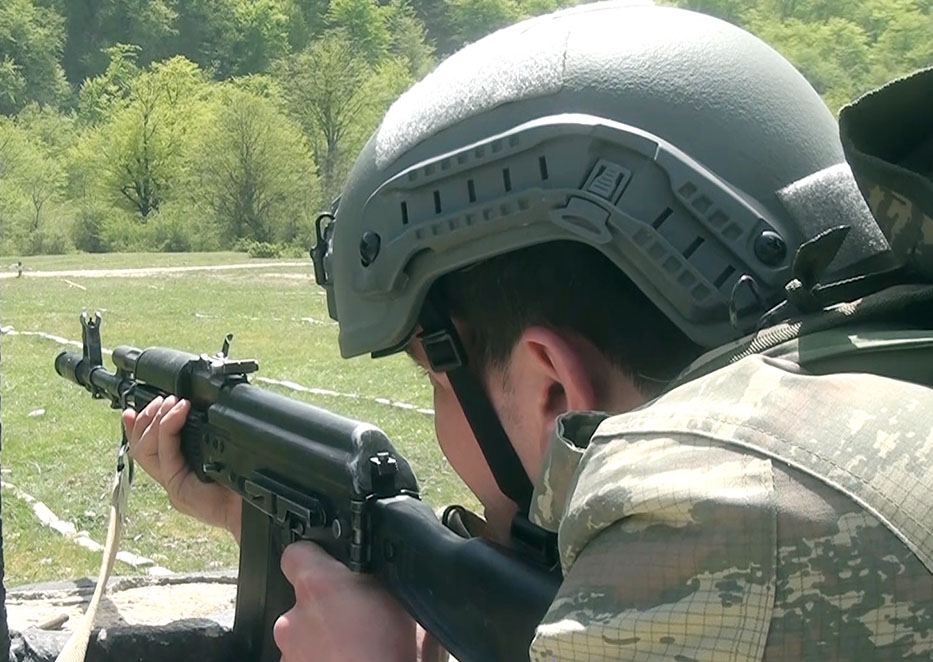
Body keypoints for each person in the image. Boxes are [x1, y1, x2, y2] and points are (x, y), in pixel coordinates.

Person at [124, 3, 933, 660]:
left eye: (432, 376)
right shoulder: (874, 387)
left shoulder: (727, 519)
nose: (437, 414)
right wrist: (266, 525)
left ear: (552, 387)